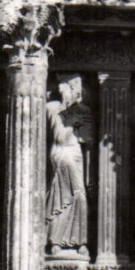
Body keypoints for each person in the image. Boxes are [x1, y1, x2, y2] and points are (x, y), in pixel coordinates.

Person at [45, 74, 93, 258]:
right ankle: (55, 241)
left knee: (79, 197)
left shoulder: (83, 110)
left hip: (76, 154)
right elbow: (60, 137)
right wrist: (73, 124)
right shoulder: (53, 108)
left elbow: (88, 139)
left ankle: (80, 241)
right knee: (62, 195)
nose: (70, 92)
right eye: (67, 88)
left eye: (74, 89)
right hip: (62, 153)